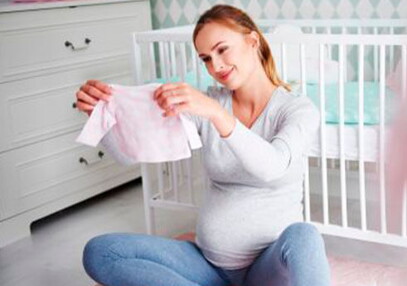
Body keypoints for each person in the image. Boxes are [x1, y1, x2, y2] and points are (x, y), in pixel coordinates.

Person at [76, 4, 329, 286]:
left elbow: (272, 166)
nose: (216, 66)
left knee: (304, 236)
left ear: (252, 41)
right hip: (210, 266)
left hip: (267, 270)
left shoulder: (297, 109)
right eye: (206, 58)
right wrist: (101, 116)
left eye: (222, 50)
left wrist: (217, 114)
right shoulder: (210, 104)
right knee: (101, 252)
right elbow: (127, 156)